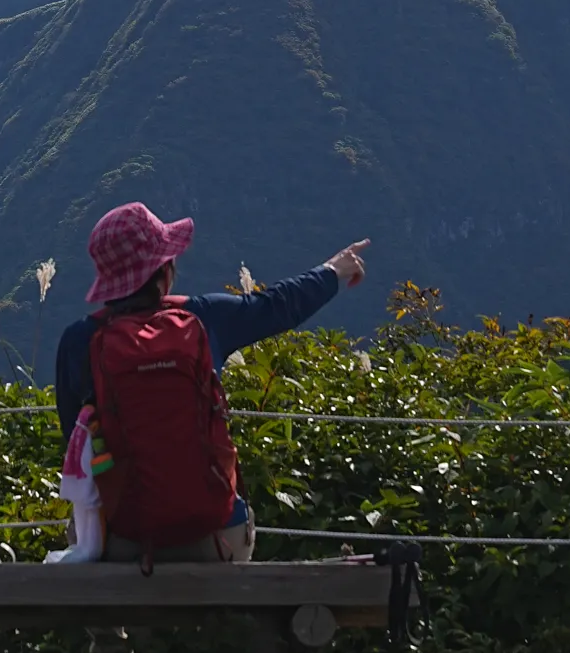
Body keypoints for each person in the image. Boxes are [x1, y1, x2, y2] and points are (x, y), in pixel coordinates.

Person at [52, 201, 368, 562]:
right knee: (238, 519)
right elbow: (277, 306)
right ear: (163, 269)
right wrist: (333, 271)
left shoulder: (79, 341)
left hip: (124, 540)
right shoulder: (203, 318)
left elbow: (73, 437)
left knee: (80, 533)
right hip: (216, 539)